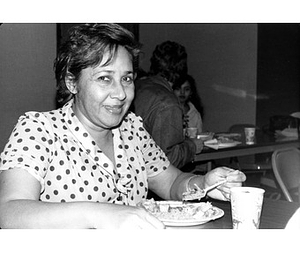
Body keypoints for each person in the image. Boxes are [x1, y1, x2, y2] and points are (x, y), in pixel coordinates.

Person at [0, 24, 246, 229]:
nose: (120, 93)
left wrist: (203, 184)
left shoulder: (133, 130)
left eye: (126, 79)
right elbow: (9, 210)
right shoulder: (38, 129)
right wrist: (98, 213)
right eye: (104, 78)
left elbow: (172, 183)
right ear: (72, 82)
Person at [133, 41, 203, 169]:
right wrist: (192, 146)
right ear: (182, 69)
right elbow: (167, 160)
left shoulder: (137, 86)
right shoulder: (167, 103)